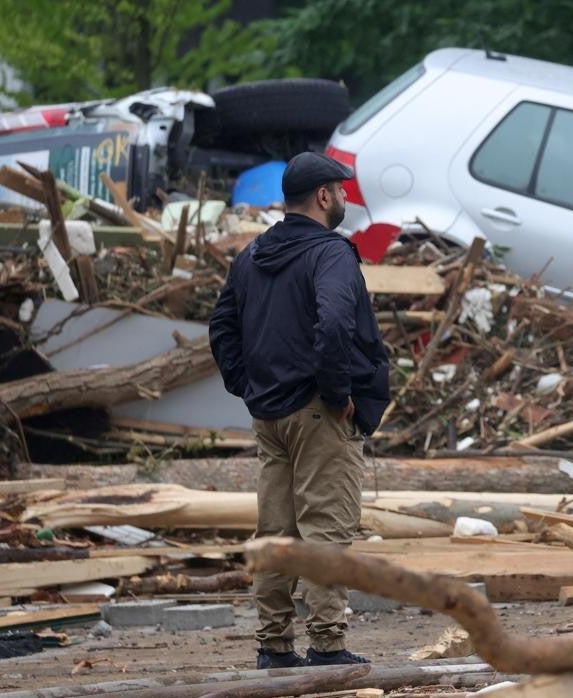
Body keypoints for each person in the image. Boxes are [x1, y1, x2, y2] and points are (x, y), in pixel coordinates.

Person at [209, 151, 390, 669]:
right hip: (317, 412)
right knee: (325, 528)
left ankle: (273, 646)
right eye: (342, 190)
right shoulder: (330, 253)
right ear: (324, 195)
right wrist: (337, 394)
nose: (348, 198)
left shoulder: (252, 255)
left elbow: (221, 327)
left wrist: (249, 386)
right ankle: (328, 646)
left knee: (277, 532)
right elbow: (334, 324)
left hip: (270, 415)